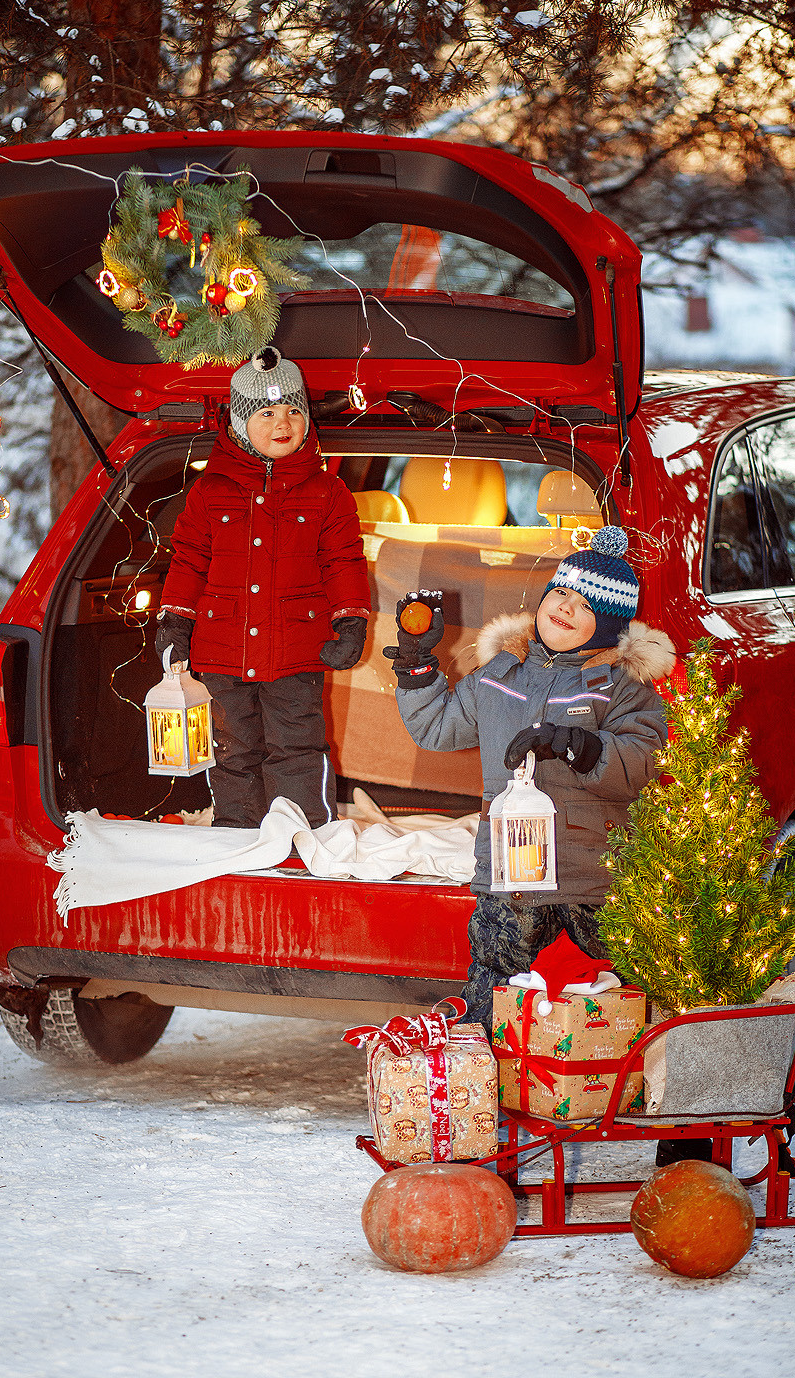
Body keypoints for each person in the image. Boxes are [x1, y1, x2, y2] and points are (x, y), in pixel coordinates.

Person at [384, 526, 675, 1031]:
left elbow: (641, 763)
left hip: (593, 881)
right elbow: (437, 727)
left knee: (608, 1003)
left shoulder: (622, 688)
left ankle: (598, 1092)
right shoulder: (500, 673)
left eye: (584, 606)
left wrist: (576, 744)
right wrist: (416, 667)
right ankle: (493, 1095)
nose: (564, 608)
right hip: (509, 875)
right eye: (559, 593)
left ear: (608, 626)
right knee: (496, 996)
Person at [155, 347, 369, 828]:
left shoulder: (327, 492)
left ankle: (303, 836)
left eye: (294, 410)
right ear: (238, 421)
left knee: (297, 746)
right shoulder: (210, 491)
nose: (283, 423)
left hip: (296, 649)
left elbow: (343, 561)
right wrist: (174, 623)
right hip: (220, 650)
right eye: (267, 413)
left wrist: (351, 621)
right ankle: (238, 833)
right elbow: (189, 560)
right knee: (233, 749)